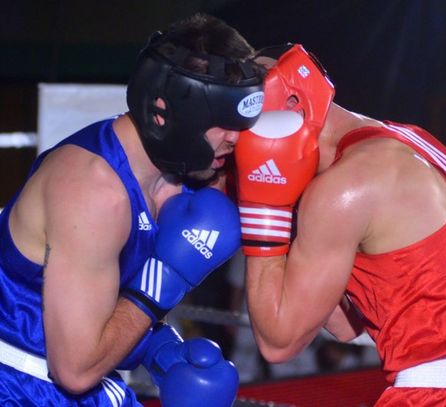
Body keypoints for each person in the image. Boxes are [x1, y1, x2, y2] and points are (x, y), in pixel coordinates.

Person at [233, 44, 446, 405]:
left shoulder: (348, 185)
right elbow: (347, 326)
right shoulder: (409, 139)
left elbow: (278, 342)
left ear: (289, 108)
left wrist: (264, 208)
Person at [0, 13, 265, 406]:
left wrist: (162, 353)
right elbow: (75, 370)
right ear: (164, 110)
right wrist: (166, 277)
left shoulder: (176, 183)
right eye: (222, 120)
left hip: (75, 380)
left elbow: (106, 306)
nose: (235, 138)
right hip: (19, 385)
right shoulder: (94, 192)